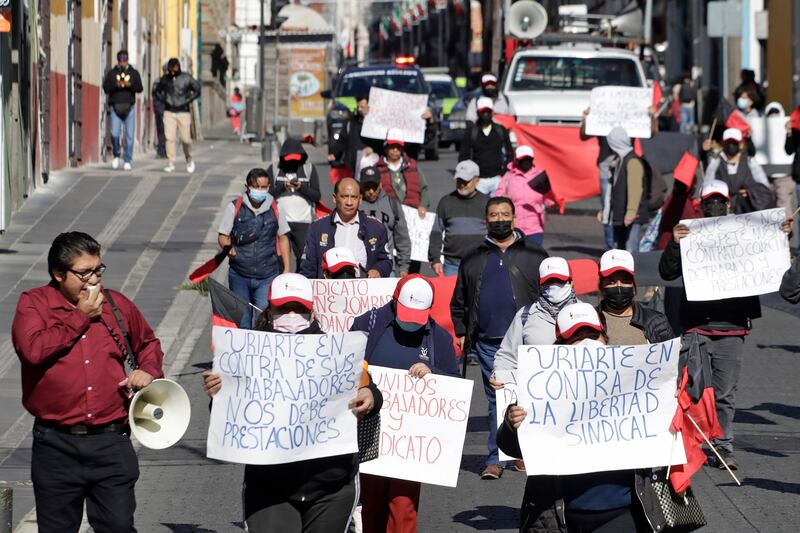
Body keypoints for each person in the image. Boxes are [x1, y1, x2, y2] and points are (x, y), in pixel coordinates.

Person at [202, 272, 383, 533]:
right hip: (269, 489)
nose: (291, 314)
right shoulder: (247, 353)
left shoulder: (337, 351)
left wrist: (371, 397)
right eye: (283, 307)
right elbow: (229, 414)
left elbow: (371, 391)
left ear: (311, 312)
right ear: (270, 310)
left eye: (298, 307)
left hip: (331, 487)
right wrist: (218, 394)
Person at [11, 231, 164, 533]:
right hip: (56, 444)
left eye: (98, 270)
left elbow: (148, 344)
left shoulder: (117, 305)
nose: (94, 280)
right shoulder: (34, 305)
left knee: (118, 526)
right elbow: (32, 350)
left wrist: (149, 371)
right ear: (58, 273)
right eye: (84, 273)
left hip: (110, 440)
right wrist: (80, 317)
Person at [497, 302, 667, 533]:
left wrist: (669, 402)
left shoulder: (633, 381)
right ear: (560, 346)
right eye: (575, 337)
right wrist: (512, 424)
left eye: (592, 335)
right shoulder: (539, 389)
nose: (586, 343)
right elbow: (512, 449)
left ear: (605, 338)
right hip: (561, 516)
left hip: (620, 512)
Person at [659, 179, 792, 470]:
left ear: (729, 203)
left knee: (725, 393)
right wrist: (674, 244)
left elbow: (775, 266)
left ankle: (723, 447)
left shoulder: (745, 233)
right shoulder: (690, 234)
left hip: (732, 327)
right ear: (701, 205)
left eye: (719, 200)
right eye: (709, 201)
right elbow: (667, 273)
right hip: (696, 325)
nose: (715, 205)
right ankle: (690, 442)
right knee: (692, 389)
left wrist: (780, 238)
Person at [351, 274, 460, 532]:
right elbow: (347, 365)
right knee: (371, 503)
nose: (411, 321)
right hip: (370, 430)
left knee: (403, 507)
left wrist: (433, 372)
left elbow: (456, 385)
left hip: (411, 440)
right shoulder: (369, 323)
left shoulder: (440, 339)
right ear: (394, 300)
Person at [451, 197, 548, 479]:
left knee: (530, 398)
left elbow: (550, 295)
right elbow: (460, 299)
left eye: (505, 214)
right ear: (487, 220)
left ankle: (523, 454)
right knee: (497, 398)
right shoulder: (472, 256)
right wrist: (460, 330)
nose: (500, 219)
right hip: (488, 342)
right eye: (494, 215)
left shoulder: (535, 254)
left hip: (529, 344)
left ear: (515, 219)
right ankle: (495, 458)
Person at [218, 168, 292, 328]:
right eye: (256, 187)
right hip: (239, 275)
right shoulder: (235, 207)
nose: (260, 191)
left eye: (264, 187)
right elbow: (222, 235)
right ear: (247, 186)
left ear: (269, 186)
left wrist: (287, 268)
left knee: (264, 322)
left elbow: (284, 237)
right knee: (242, 323)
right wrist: (227, 247)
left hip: (267, 276)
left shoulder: (276, 207)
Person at [299, 177, 393, 279]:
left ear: (360, 199)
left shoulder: (376, 227)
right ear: (335, 198)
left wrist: (378, 270)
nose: (349, 202)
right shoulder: (317, 228)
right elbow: (307, 268)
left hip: (364, 291)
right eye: (344, 197)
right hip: (328, 291)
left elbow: (386, 260)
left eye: (354, 197)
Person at [374, 129, 429, 273]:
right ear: (386, 146)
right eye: (392, 146)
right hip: (391, 215)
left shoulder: (412, 165)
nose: (395, 150)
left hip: (412, 217)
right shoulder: (377, 168)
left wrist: (423, 204)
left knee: (413, 252)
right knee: (391, 250)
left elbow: (424, 188)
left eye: (398, 147)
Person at [597, 249, 673, 345]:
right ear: (601, 285)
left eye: (625, 281)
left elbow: (673, 357)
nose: (619, 287)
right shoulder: (591, 322)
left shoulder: (657, 322)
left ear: (633, 285)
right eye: (611, 282)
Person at [267, 138, 322, 266]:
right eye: (289, 158)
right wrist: (282, 187)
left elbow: (316, 196)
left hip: (303, 222)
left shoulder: (308, 168)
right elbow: (266, 196)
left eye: (296, 158)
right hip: (279, 222)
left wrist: (301, 187)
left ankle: (300, 283)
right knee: (280, 260)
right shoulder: (275, 168)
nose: (292, 161)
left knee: (304, 260)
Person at [428, 159, 489, 276]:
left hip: (481, 262)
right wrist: (435, 259)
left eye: (466, 181)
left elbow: (494, 233)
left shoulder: (487, 203)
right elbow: (436, 232)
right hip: (452, 264)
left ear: (477, 180)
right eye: (459, 180)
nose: (462, 184)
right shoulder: (446, 202)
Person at [494, 145, 555, 247]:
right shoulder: (509, 176)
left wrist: (555, 201)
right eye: (523, 159)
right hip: (513, 227)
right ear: (517, 160)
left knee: (533, 258)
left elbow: (549, 199)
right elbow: (497, 199)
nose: (526, 162)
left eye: (528, 159)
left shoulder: (540, 177)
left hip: (535, 228)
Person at [703, 128, 772, 214]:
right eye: (728, 143)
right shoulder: (715, 162)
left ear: (741, 144)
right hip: (723, 214)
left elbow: (765, 187)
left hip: (747, 212)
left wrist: (750, 193)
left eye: (734, 143)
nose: (731, 146)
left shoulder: (750, 161)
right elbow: (707, 185)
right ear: (723, 143)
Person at [359, 166, 412, 276]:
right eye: (367, 187)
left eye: (374, 186)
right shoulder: (355, 204)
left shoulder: (392, 203)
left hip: (386, 268)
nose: (371, 191)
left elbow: (402, 237)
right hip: (360, 269)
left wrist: (403, 267)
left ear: (380, 184)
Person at [459, 97, 514, 195]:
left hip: (498, 180)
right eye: (482, 112)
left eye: (488, 111)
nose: (485, 114)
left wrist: (503, 174)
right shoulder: (471, 132)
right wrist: (470, 177)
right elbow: (464, 156)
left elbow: (510, 154)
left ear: (492, 112)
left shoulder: (500, 130)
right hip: (478, 181)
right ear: (478, 113)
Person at [155, 57, 201, 173]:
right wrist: (164, 99)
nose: (172, 71)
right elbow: (157, 90)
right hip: (169, 111)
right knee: (169, 138)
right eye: (171, 69)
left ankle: (189, 159)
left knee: (186, 139)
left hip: (183, 111)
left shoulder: (186, 78)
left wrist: (188, 100)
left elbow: (197, 89)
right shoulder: (165, 79)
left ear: (178, 67)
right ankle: (171, 162)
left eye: (174, 68)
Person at [607, 126, 648, 252]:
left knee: (631, 250)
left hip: (632, 216)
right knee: (620, 250)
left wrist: (631, 212)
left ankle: (636, 272)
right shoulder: (620, 160)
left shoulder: (632, 161)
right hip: (621, 214)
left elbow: (635, 189)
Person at [102, 49, 143, 171]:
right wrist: (116, 84)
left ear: (128, 60)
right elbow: (106, 88)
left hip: (129, 107)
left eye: (125, 60)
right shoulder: (112, 73)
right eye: (121, 60)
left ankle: (128, 159)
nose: (123, 62)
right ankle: (116, 154)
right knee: (115, 133)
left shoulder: (134, 73)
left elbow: (139, 88)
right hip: (115, 107)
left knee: (129, 135)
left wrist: (130, 85)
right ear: (118, 60)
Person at [327, 95, 382, 176]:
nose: (359, 109)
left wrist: (373, 149)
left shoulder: (378, 124)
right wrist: (334, 153)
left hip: (372, 165)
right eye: (358, 107)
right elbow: (343, 139)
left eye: (362, 107)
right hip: (353, 165)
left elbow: (382, 143)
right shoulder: (352, 122)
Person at [151, 64, 168, 158]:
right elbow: (155, 96)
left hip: (169, 109)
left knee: (168, 131)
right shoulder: (158, 81)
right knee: (161, 130)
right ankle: (161, 150)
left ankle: (166, 150)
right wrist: (158, 108)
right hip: (161, 109)